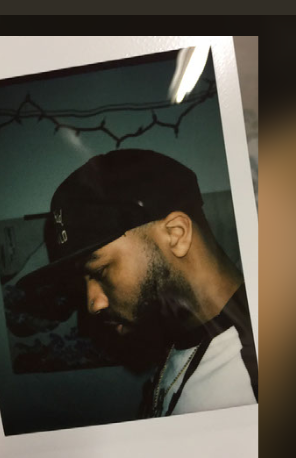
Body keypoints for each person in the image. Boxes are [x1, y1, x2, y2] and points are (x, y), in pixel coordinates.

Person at [17, 149, 258, 419]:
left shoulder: (251, 380)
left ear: (176, 235)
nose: (93, 304)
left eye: (99, 270)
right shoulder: (179, 333)